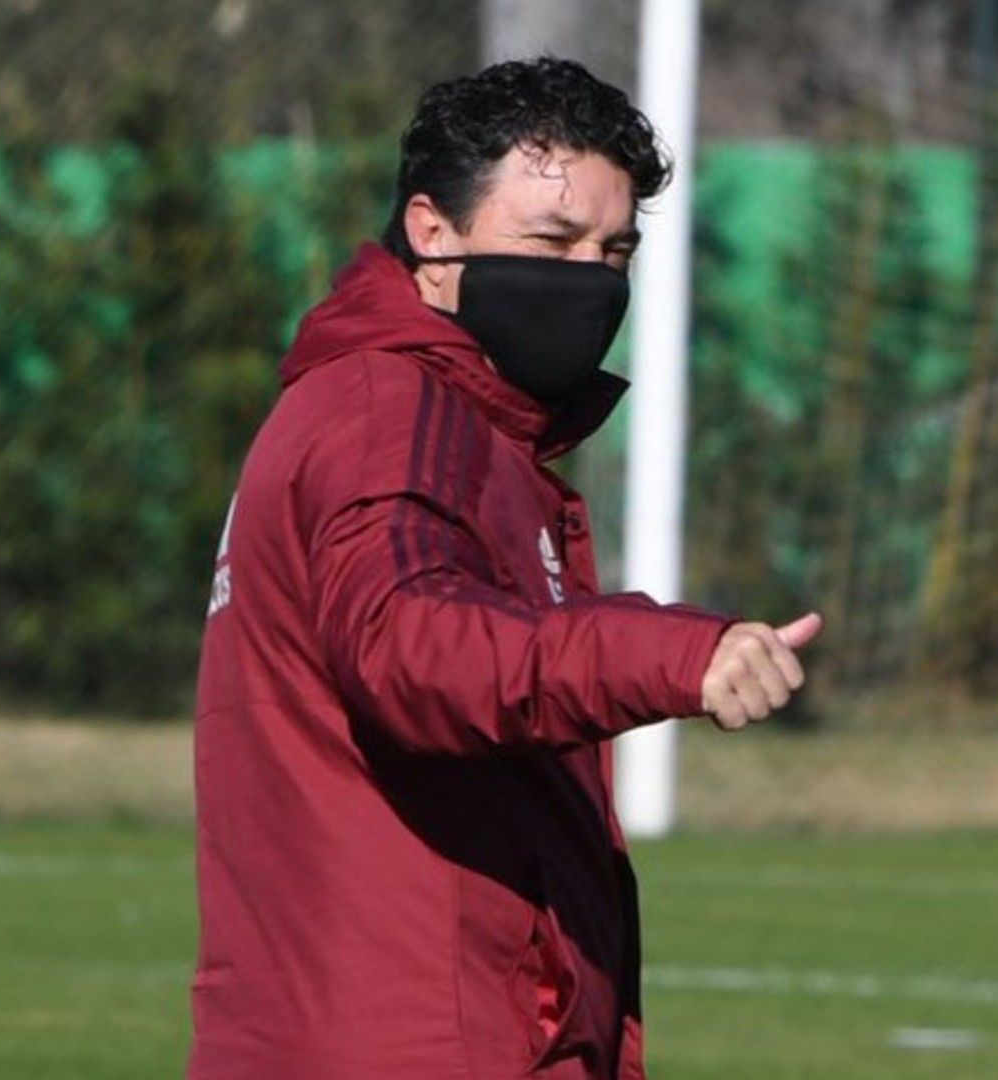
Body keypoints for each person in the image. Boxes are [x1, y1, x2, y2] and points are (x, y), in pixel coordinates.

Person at [186, 58, 820, 1080]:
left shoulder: (442, 420)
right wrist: (667, 652)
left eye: (616, 251)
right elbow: (412, 648)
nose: (590, 281)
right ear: (433, 233)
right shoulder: (394, 412)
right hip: (413, 1037)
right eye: (553, 242)